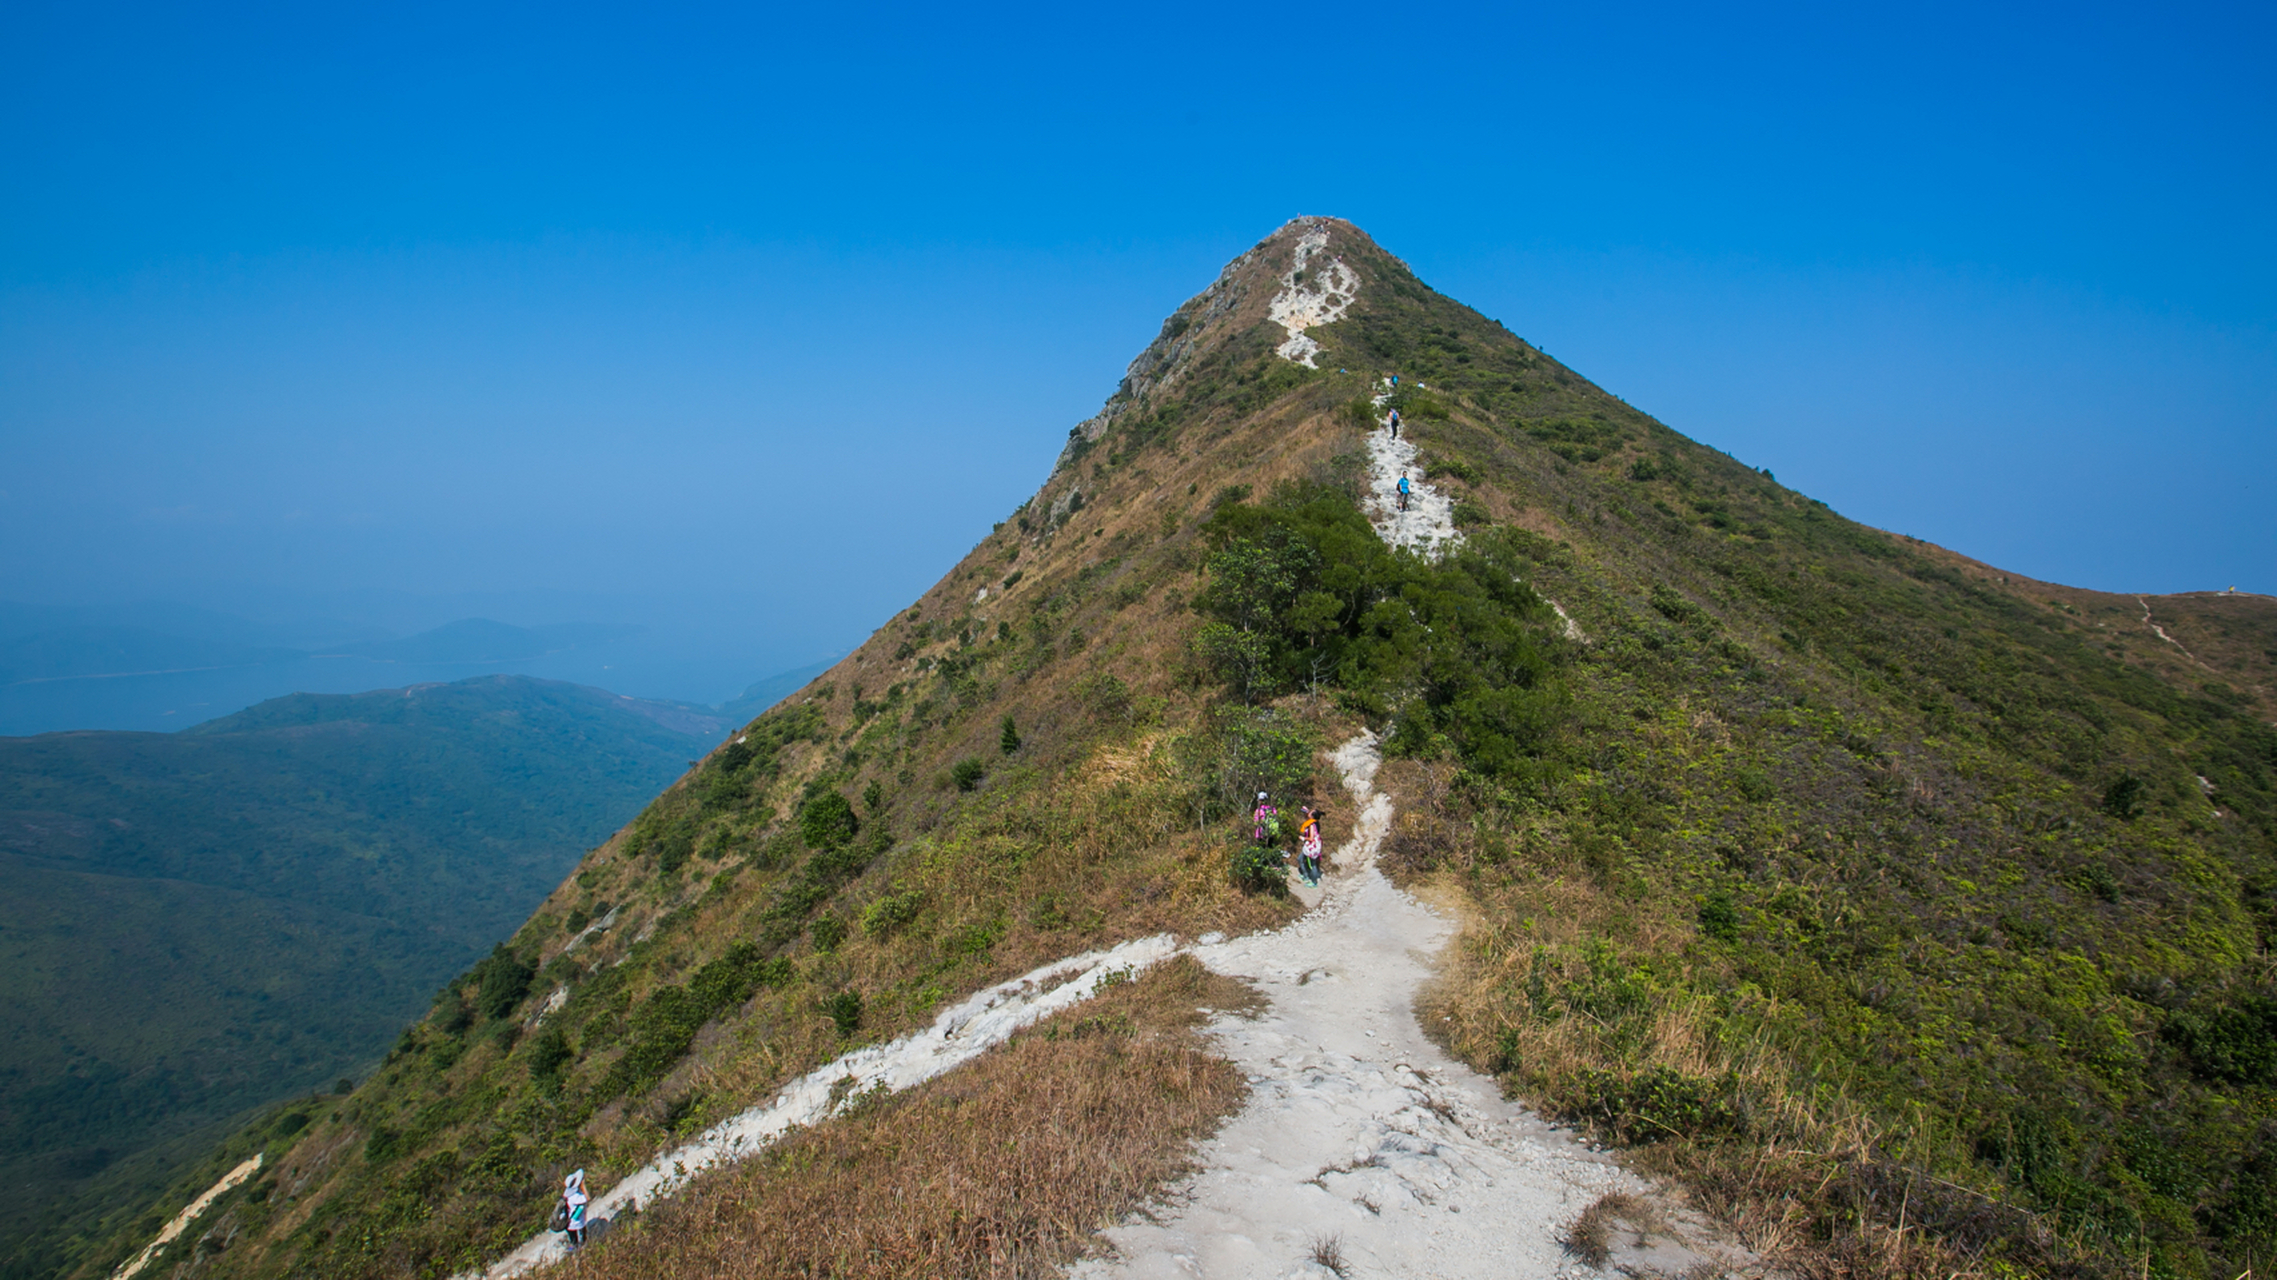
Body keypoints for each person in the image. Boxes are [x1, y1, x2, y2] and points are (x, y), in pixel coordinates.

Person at [1297, 806, 1325, 886]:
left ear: (1312, 816)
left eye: (1310, 812)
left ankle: (1314, 881)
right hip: (1312, 845)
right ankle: (1306, 875)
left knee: (1312, 864)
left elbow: (1311, 837)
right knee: (1301, 859)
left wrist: (1303, 838)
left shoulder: (1312, 825)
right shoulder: (1315, 822)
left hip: (1311, 846)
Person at [563, 1169, 589, 1247]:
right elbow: (586, 1199)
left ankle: (572, 1252)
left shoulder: (567, 1193)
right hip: (577, 1223)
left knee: (573, 1241)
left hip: (568, 1223)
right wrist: (583, 1186)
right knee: (582, 1240)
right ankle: (579, 1252)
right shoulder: (576, 1196)